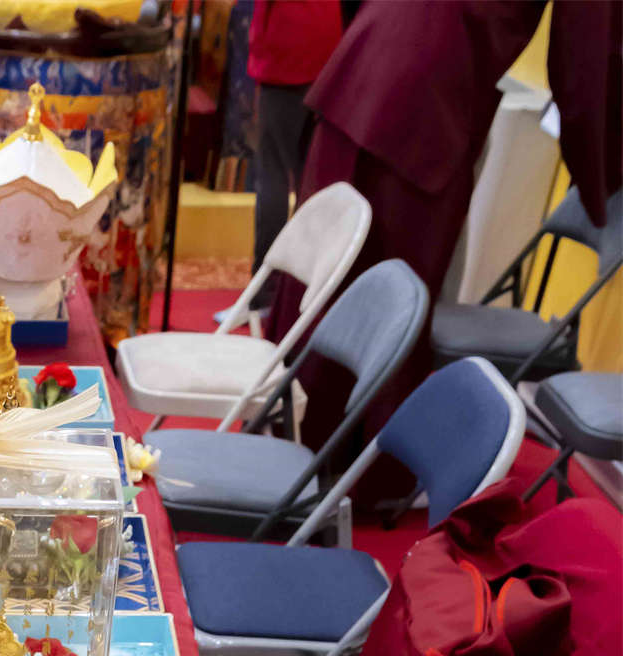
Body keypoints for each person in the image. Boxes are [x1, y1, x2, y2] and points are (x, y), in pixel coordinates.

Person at [276, 0, 622, 465]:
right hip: (429, 108)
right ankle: (354, 471)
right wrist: (603, 180)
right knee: (392, 307)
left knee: (321, 283)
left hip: (361, 66)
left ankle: (285, 447)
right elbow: (584, 63)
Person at [246, 0, 343, 285]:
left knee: (273, 175)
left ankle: (267, 285)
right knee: (312, 177)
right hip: (327, 50)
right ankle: (305, 283)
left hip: (284, 53)